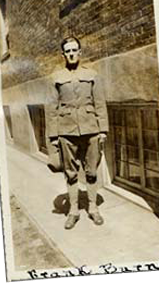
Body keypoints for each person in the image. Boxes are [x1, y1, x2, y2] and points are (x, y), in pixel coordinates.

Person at [45, 36, 109, 229]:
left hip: (91, 130)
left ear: (80, 53)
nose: (72, 54)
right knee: (71, 174)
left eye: (75, 50)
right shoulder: (56, 77)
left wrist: (103, 130)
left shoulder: (92, 75)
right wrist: (54, 137)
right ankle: (73, 210)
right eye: (68, 51)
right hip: (66, 131)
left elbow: (100, 103)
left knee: (91, 172)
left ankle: (93, 208)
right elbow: (51, 108)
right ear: (63, 54)